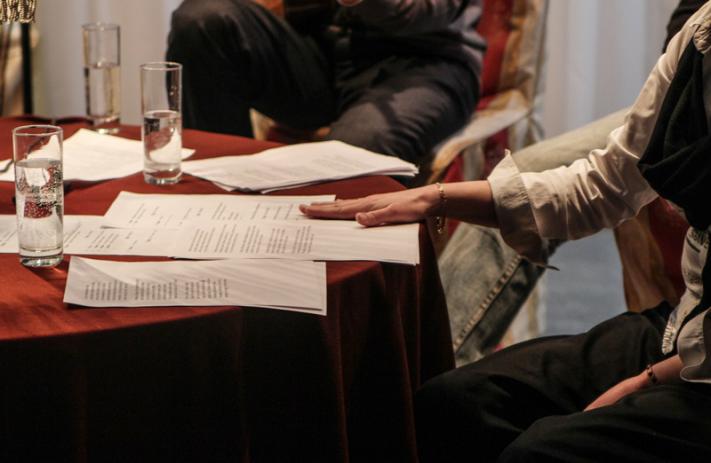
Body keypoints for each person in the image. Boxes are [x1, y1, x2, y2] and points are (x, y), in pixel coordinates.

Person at [300, 2, 711, 461]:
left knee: (536, 452)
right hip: (681, 329)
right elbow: (606, 183)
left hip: (700, 365)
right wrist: (438, 197)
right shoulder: (700, 32)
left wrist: (648, 379)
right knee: (451, 404)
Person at [166, 0, 485, 164]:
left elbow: (419, 11)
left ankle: (345, 272)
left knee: (349, 155)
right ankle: (217, 202)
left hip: (426, 61)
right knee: (203, 21)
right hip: (324, 52)